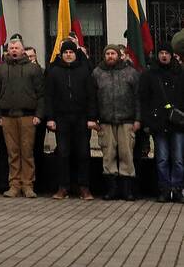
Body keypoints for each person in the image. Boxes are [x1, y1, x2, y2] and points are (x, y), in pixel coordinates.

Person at [44, 40, 97, 200]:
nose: (68, 55)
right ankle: (63, 187)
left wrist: (92, 117)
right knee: (63, 153)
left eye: (71, 52)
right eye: (66, 52)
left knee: (83, 153)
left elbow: (91, 96)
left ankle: (84, 187)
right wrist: (50, 118)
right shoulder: (53, 71)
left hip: (81, 118)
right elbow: (49, 97)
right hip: (61, 118)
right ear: (61, 54)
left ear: (76, 53)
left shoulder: (84, 71)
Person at [90, 44, 141, 201]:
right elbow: (92, 98)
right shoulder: (97, 73)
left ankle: (127, 190)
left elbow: (138, 98)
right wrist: (93, 119)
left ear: (119, 55)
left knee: (126, 154)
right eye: (107, 54)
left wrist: (138, 119)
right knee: (108, 154)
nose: (110, 56)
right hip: (105, 121)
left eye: (113, 53)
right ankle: (111, 190)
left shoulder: (131, 73)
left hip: (127, 120)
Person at [0, 38, 44, 198]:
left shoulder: (33, 69)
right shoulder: (1, 69)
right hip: (7, 116)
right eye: (11, 47)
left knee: (27, 152)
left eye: (17, 47)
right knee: (12, 153)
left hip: (27, 117)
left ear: (23, 50)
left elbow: (41, 94)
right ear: (8, 50)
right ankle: (14, 185)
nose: (14, 50)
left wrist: (39, 115)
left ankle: (28, 185)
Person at [139, 42, 184, 202]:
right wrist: (149, 121)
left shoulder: (180, 73)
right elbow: (143, 100)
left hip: (178, 124)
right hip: (158, 124)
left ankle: (177, 188)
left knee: (178, 159)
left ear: (172, 55)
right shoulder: (149, 74)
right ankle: (164, 189)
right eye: (161, 53)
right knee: (162, 158)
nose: (164, 55)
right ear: (157, 55)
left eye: (167, 53)